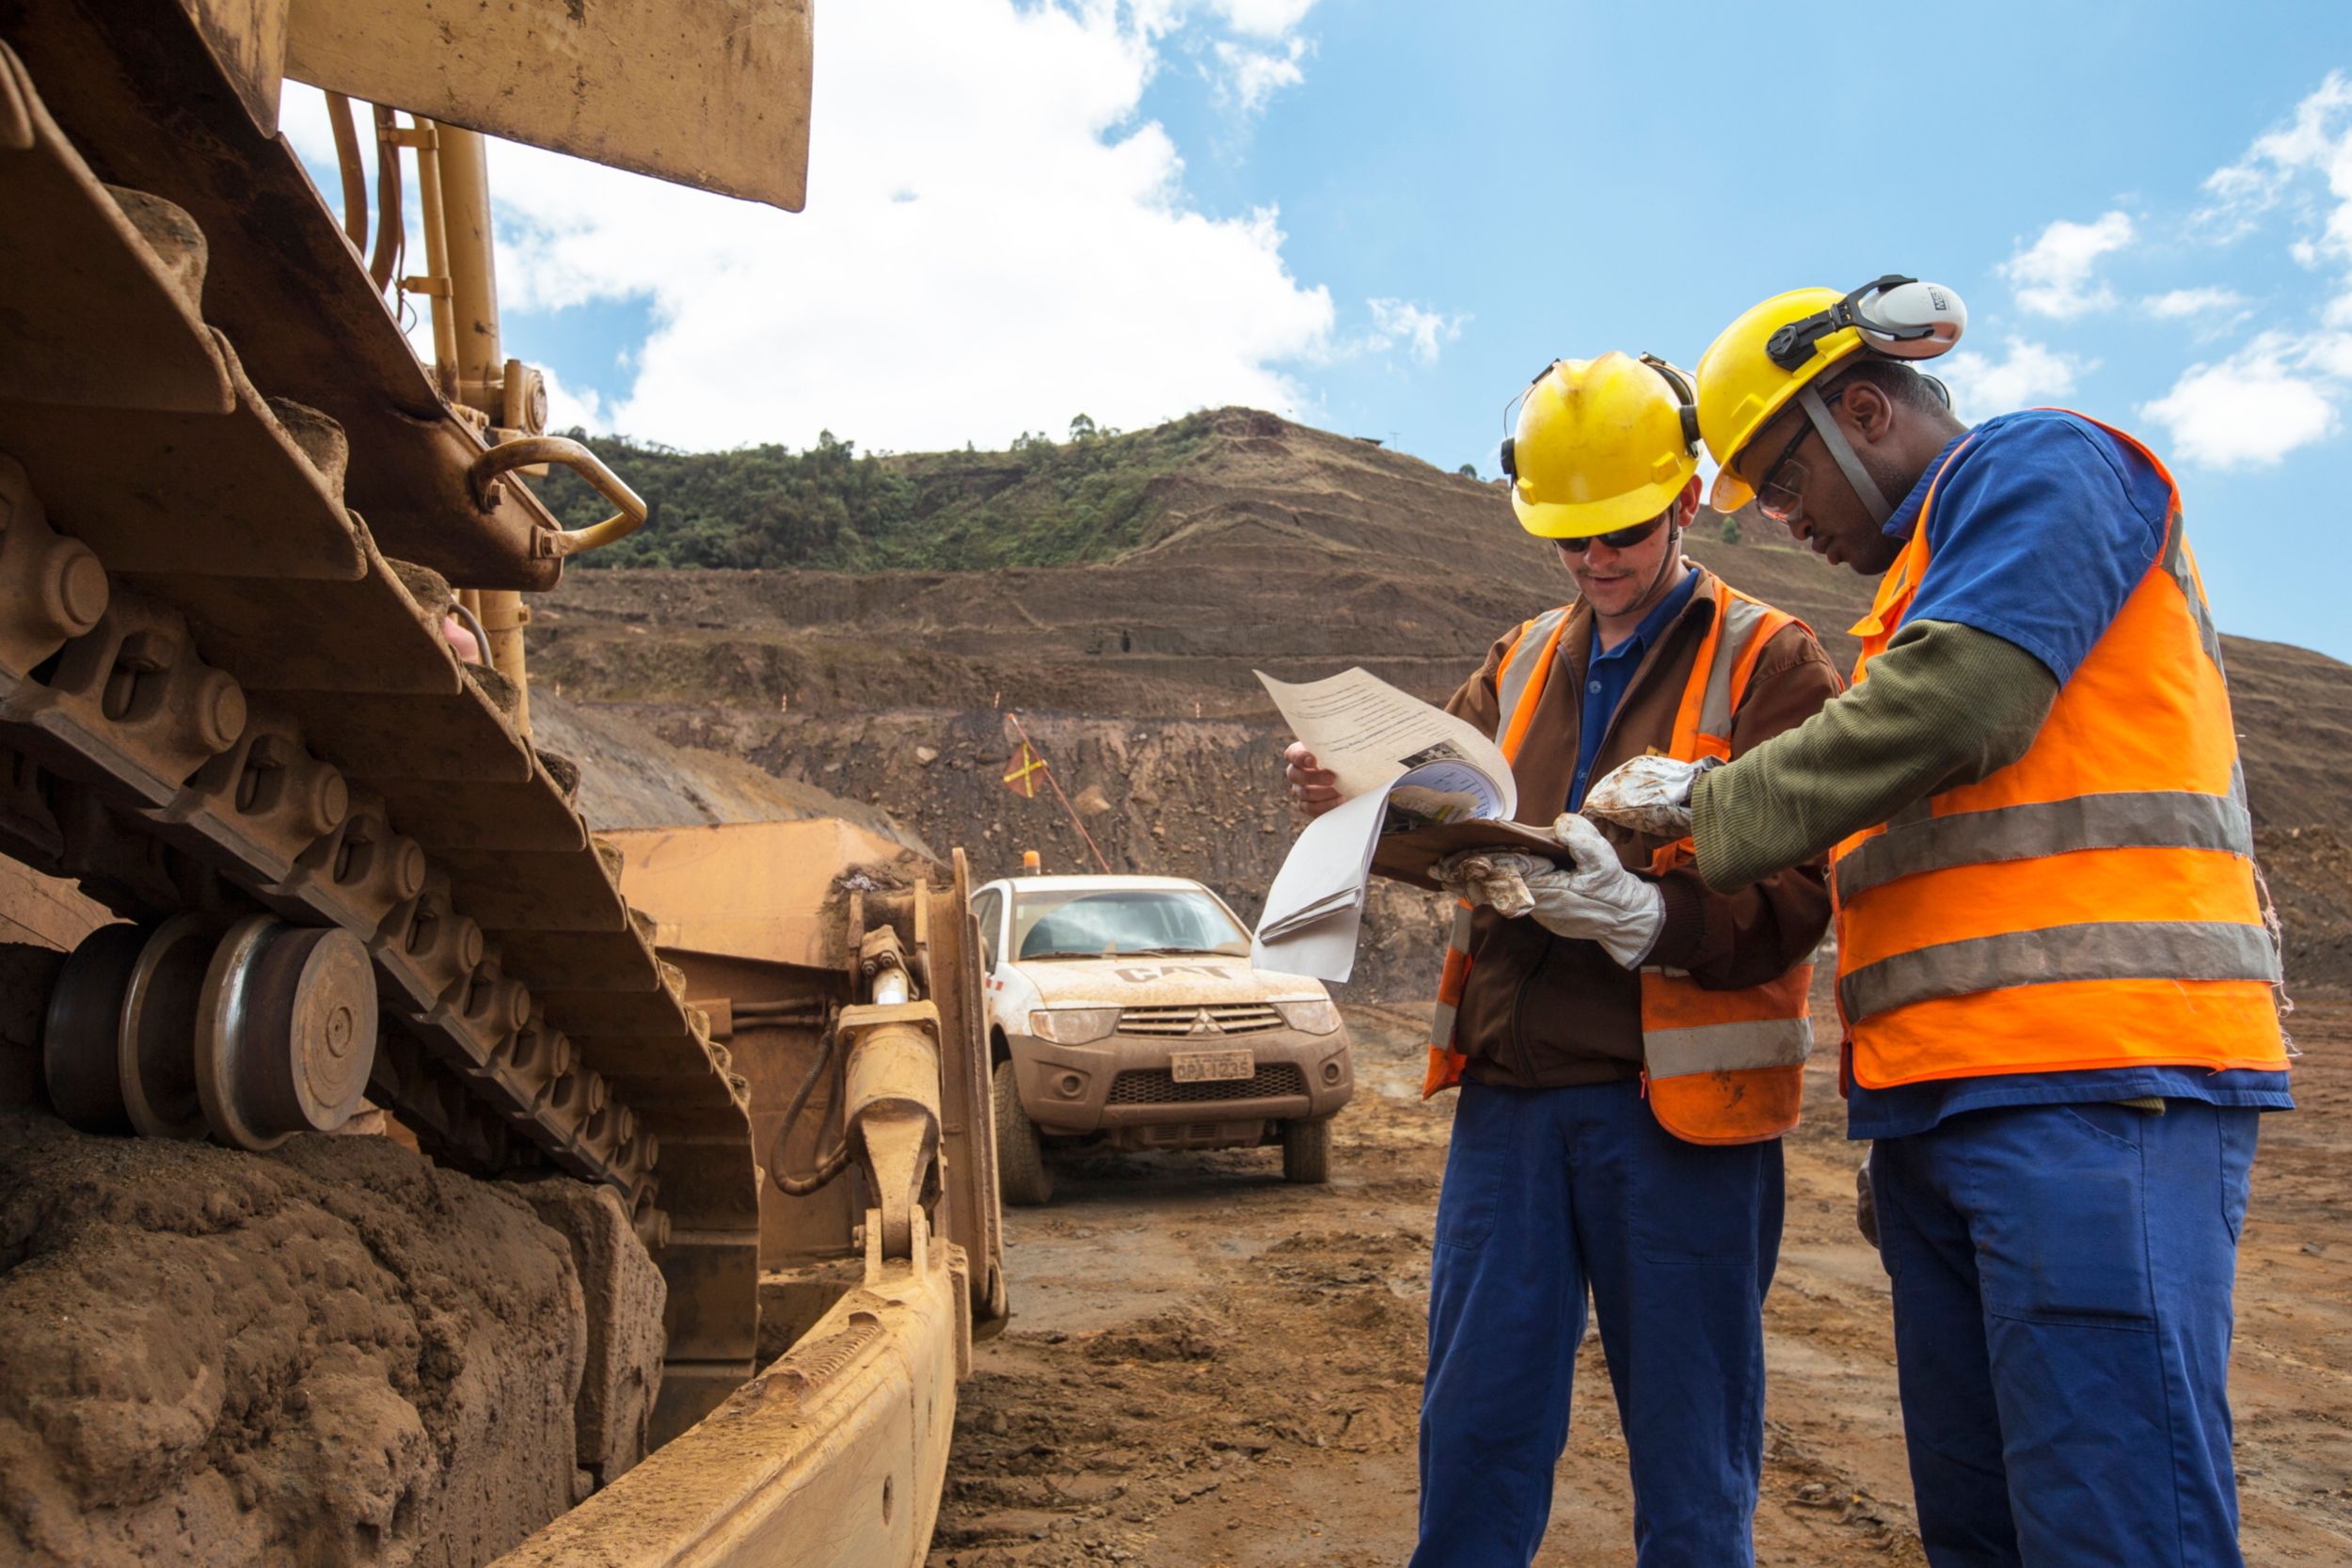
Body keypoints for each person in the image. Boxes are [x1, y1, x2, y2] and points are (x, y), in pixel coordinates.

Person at [1583, 278, 2295, 1568]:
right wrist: (1910, 1116)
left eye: (1786, 485)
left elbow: (1961, 709)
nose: (1786, 524)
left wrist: (1711, 801)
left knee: (2109, 1521)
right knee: (1985, 1532)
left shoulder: (2047, 467)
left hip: (2099, 1087)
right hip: (1962, 1112)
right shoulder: (1914, 594)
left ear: (1865, 408)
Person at [1285, 352, 1841, 1568]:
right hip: (1513, 1109)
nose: (1597, 563)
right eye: (1571, 541)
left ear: (1686, 497)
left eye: (1624, 534)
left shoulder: (1773, 663)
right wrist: (1365, 808)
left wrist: (1651, 922)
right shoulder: (1521, 658)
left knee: (1693, 1456)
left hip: (1678, 1121)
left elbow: (1807, 892)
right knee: (1478, 1430)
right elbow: (1446, 825)